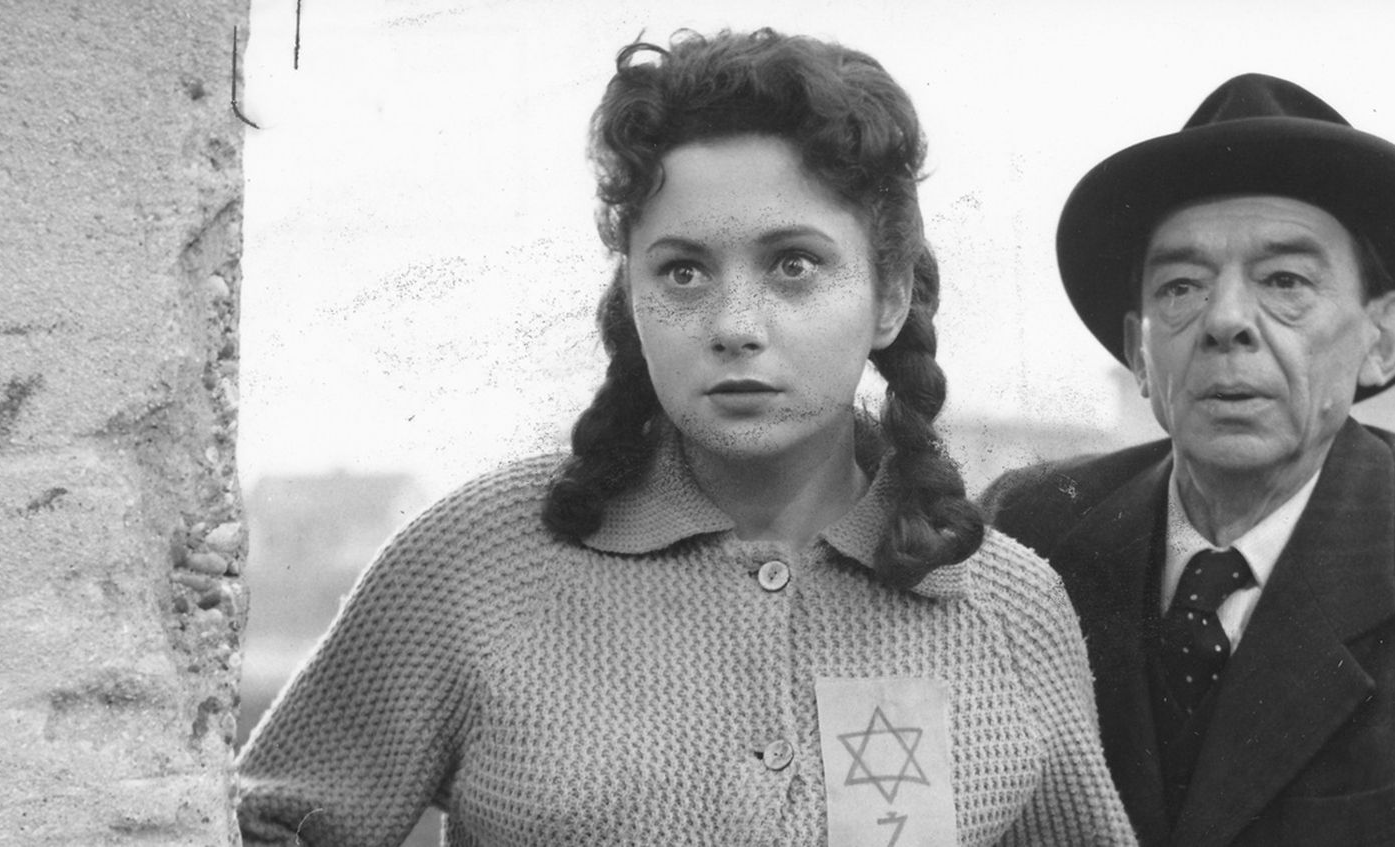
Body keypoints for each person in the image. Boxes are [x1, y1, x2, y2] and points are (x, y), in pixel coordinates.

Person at [238, 29, 1136, 846]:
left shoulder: (1007, 611)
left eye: (795, 265)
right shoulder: (479, 561)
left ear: (890, 295)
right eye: (683, 270)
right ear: (632, 294)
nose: (734, 324)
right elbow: (265, 825)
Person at [983, 74, 1395, 846]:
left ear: (1380, 341)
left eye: (1285, 281)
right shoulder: (1027, 536)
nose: (1225, 322)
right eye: (1181, 286)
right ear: (1138, 353)